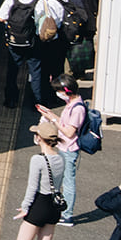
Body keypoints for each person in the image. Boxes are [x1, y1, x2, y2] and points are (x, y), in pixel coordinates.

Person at [13, 129, 68, 240]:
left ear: (40, 138)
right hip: (54, 205)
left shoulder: (37, 159)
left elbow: (32, 186)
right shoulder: (60, 158)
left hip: (39, 203)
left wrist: (25, 207)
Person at [0, 0, 58, 111]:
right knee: (36, 73)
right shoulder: (41, 1)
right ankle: (37, 104)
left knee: (12, 71)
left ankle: (10, 100)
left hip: (14, 42)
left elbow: (1, 17)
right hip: (34, 43)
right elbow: (48, 20)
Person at [33, 86, 89, 223]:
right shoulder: (71, 104)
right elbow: (64, 123)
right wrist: (51, 115)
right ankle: (61, 210)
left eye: (60, 91)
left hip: (69, 148)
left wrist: (53, 120)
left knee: (68, 182)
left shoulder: (77, 109)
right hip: (64, 146)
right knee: (62, 179)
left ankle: (67, 215)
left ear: (67, 91)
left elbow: (69, 132)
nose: (59, 94)